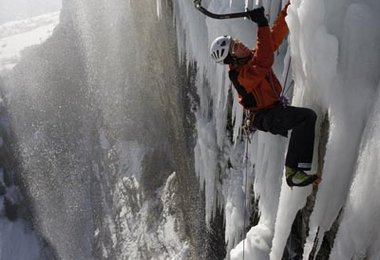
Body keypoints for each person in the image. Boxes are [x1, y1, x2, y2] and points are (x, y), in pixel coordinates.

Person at [209, 4, 319, 187]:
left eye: (236, 41)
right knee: (306, 118)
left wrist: (288, 8)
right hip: (265, 117)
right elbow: (265, 60)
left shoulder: (251, 58)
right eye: (235, 46)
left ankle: (298, 167)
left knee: (305, 121)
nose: (241, 43)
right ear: (232, 58)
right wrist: (261, 23)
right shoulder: (241, 76)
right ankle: (292, 171)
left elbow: (272, 39)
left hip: (274, 111)